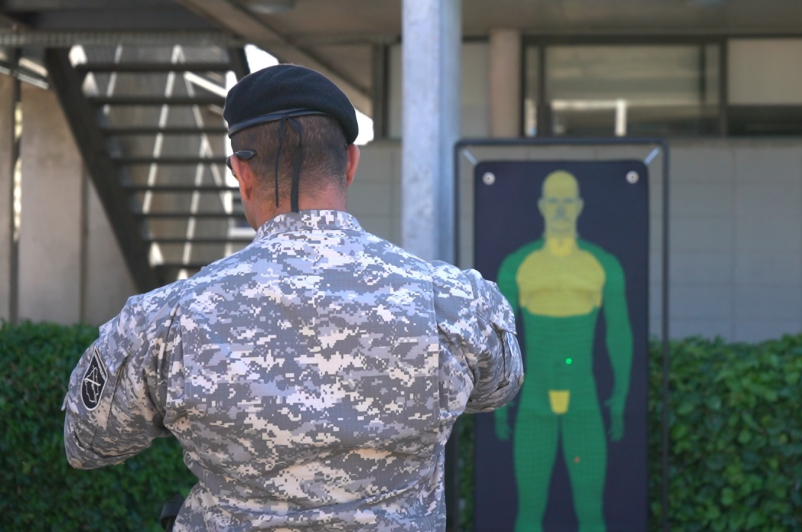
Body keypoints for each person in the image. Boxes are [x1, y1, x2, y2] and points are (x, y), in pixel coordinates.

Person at [63, 64, 523, 531]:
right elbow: (498, 389)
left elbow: (87, 442)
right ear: (349, 162)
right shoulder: (454, 305)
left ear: (241, 172)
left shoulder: (165, 320)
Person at [494, 170, 632, 532]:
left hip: (583, 401)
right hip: (533, 399)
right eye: (552, 201)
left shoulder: (602, 265)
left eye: (566, 201)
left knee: (591, 510)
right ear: (542, 206)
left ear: (578, 206)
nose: (559, 210)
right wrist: (500, 401)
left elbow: (619, 333)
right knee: (529, 509)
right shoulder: (519, 264)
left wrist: (620, 395)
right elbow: (500, 336)